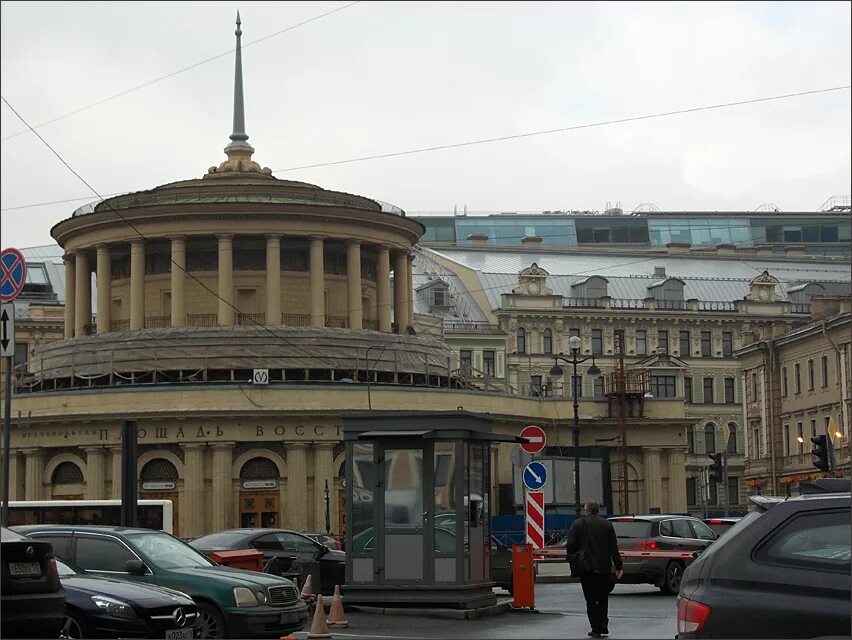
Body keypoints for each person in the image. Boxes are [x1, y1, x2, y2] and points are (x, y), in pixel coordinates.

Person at [564, 500, 623, 638]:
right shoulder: (607, 525)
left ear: (587, 510)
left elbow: (571, 545)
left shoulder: (577, 524)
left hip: (586, 569)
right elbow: (613, 547)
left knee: (590, 599)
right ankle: (603, 624)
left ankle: (595, 628)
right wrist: (618, 566)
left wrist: (574, 560)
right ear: (597, 510)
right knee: (603, 598)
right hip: (603, 568)